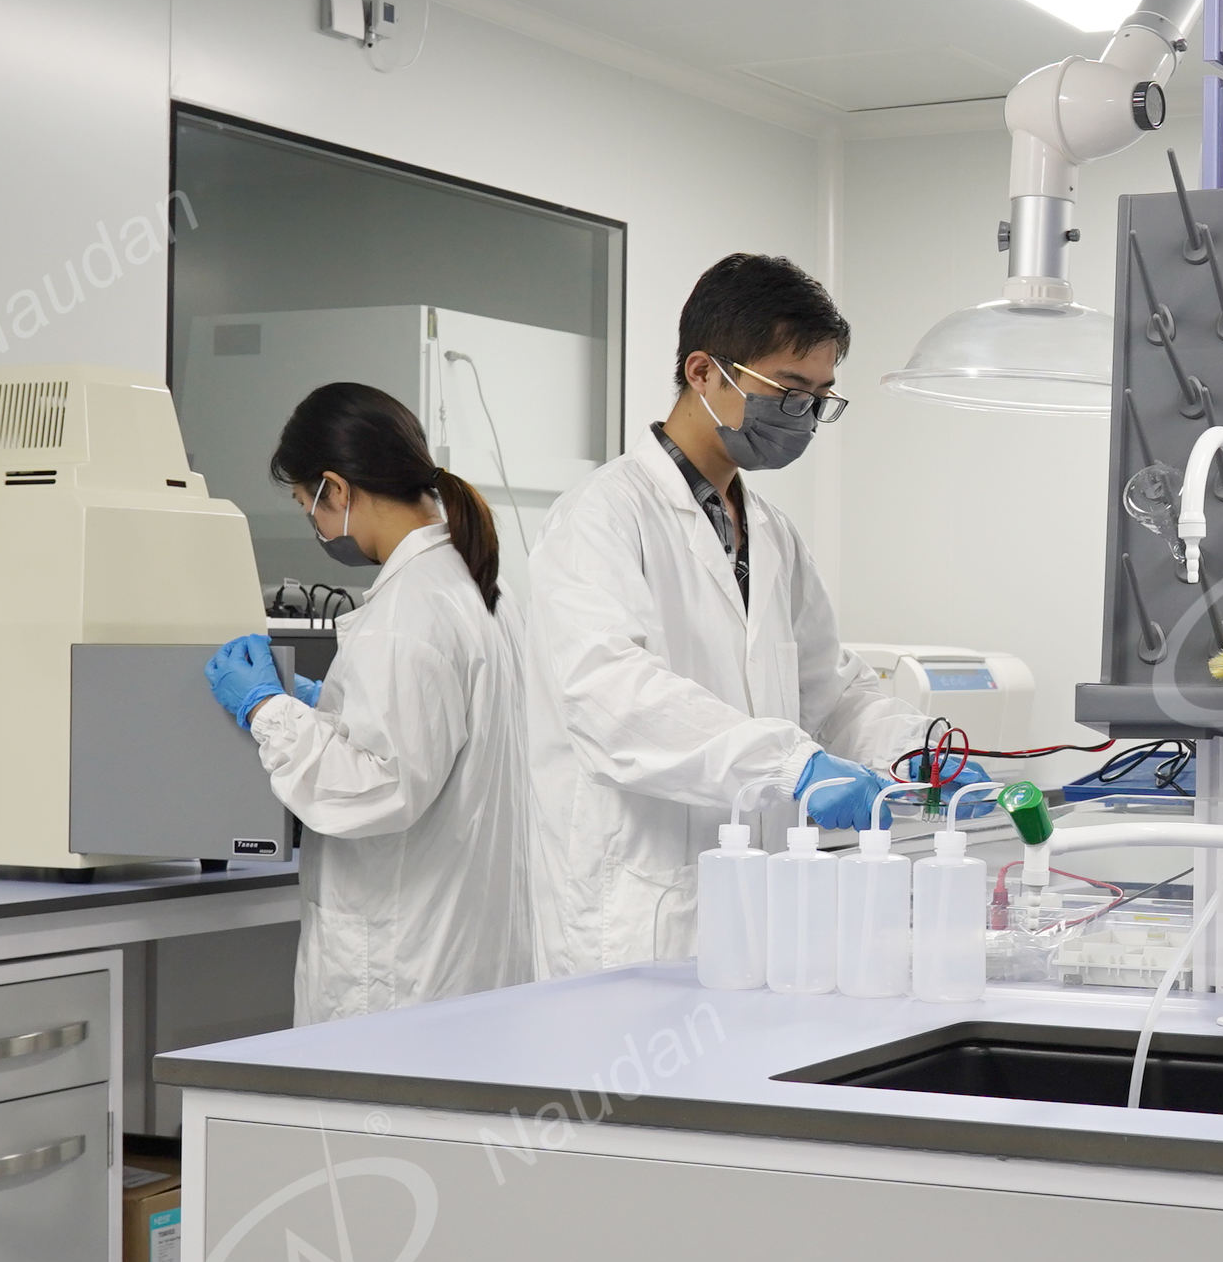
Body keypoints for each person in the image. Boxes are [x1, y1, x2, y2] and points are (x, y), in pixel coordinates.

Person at [517, 253, 937, 978]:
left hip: (759, 908)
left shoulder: (772, 532)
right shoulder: (601, 516)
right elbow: (612, 699)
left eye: (820, 398)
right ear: (704, 372)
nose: (804, 416)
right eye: (789, 391)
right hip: (641, 913)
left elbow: (829, 690)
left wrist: (917, 749)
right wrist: (791, 764)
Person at [202, 383, 531, 1024]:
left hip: (401, 967)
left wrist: (267, 711)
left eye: (307, 505)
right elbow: (432, 736)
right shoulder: (477, 585)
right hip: (466, 946)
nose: (315, 525)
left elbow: (376, 789)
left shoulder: (408, 612)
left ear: (336, 488)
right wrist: (328, 705)